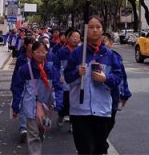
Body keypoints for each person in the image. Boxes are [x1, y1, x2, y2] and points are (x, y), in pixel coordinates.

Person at [64, 16, 123, 154]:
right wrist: (77, 73)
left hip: (102, 110)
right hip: (80, 110)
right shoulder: (77, 54)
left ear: (102, 30)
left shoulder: (110, 55)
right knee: (84, 150)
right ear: (85, 30)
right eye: (91, 27)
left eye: (98, 27)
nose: (95, 30)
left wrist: (105, 78)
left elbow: (118, 78)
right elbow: (67, 77)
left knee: (98, 149)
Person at [11, 41, 62, 155]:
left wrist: (58, 102)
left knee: (41, 130)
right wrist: (16, 105)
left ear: (47, 53)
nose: (40, 54)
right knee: (33, 133)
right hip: (30, 106)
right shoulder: (25, 69)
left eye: (43, 52)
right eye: (38, 52)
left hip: (46, 107)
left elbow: (58, 87)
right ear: (32, 53)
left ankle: (35, 148)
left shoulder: (51, 69)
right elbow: (18, 88)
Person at [101, 32, 131, 147]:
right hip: (98, 99)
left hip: (113, 97)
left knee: (110, 121)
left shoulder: (115, 57)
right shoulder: (95, 56)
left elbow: (122, 78)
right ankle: (101, 144)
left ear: (111, 43)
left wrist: (125, 95)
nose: (103, 44)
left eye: (105, 41)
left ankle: (102, 142)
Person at [53, 29, 81, 129]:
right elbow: (56, 65)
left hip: (76, 80)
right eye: (73, 36)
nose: (75, 39)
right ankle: (61, 116)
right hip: (63, 80)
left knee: (74, 102)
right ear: (68, 38)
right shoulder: (62, 51)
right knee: (64, 101)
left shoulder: (81, 51)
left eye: (77, 37)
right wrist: (58, 76)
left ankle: (72, 123)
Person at [11, 36, 36, 142]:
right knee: (22, 103)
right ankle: (23, 128)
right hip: (22, 84)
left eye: (33, 42)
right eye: (30, 42)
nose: (32, 44)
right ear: (25, 45)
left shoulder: (38, 56)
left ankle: (33, 127)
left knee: (33, 105)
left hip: (34, 85)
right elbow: (16, 74)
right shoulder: (21, 59)